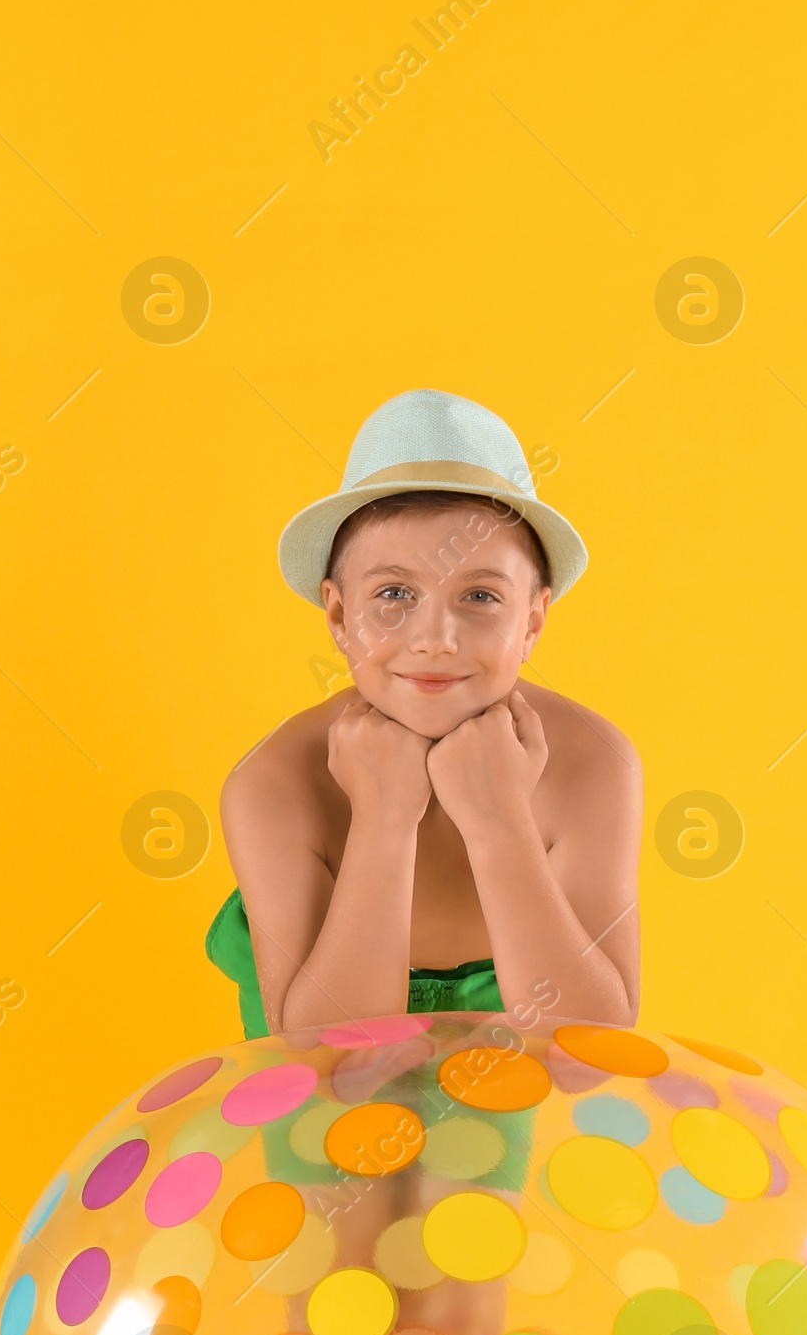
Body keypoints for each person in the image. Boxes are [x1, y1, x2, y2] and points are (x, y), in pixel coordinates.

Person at [207, 388, 641, 1038]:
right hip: (314, 1101)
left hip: (510, 1068)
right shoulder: (272, 782)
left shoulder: (593, 762)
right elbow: (322, 1058)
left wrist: (499, 823)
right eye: (394, 593)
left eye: (480, 596)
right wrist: (384, 819)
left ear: (533, 620)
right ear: (339, 615)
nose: (435, 636)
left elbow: (592, 1047)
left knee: (486, 1143)